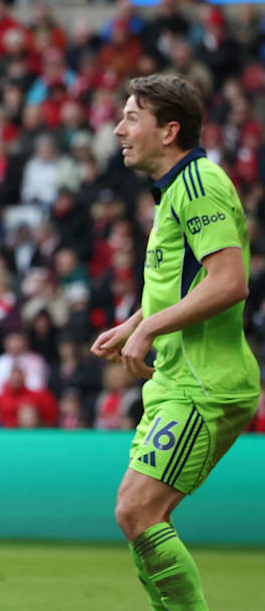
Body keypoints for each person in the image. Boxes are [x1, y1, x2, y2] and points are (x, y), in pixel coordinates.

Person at [92, 74, 259, 610]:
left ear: (169, 131)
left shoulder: (199, 185)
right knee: (138, 513)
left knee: (137, 510)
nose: (119, 129)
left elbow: (230, 281)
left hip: (205, 383)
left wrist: (149, 328)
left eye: (131, 118)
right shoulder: (174, 193)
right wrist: (134, 321)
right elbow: (185, 282)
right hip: (178, 379)